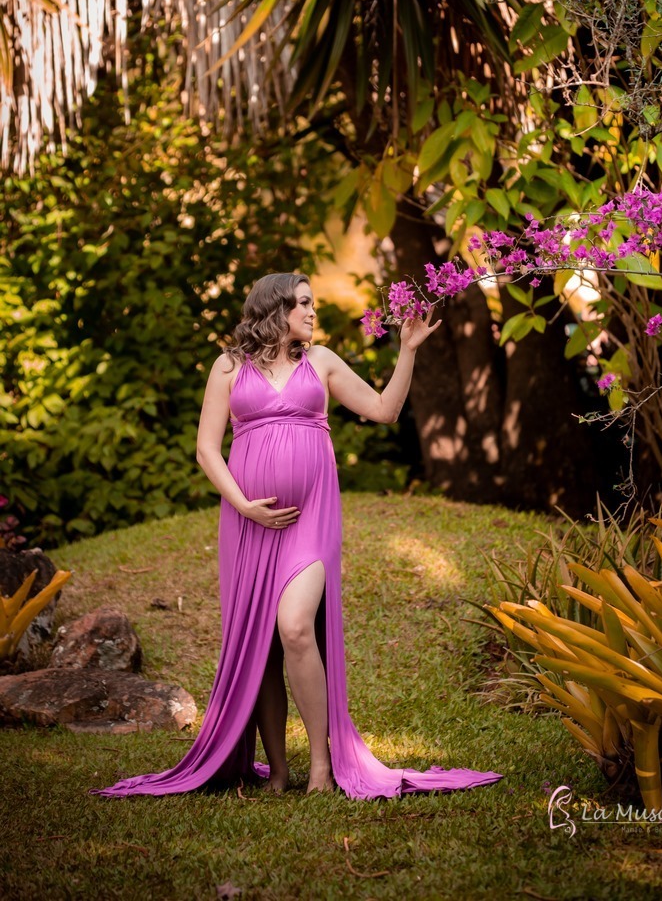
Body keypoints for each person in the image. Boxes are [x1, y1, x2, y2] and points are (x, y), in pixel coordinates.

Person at [93, 273, 502, 799]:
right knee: (260, 648)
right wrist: (243, 504)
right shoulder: (228, 367)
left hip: (311, 520)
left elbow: (384, 410)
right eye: (304, 303)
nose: (313, 312)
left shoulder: (322, 361)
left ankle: (320, 766)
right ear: (275, 305)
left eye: (313, 303)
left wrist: (406, 352)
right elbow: (206, 450)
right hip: (248, 522)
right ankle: (280, 772)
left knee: (295, 628)